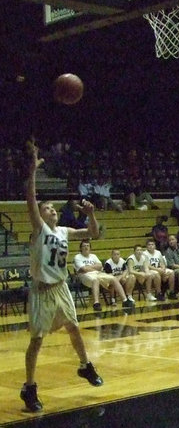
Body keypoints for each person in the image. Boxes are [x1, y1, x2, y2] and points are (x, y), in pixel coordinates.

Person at [21, 138, 103, 413]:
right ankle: (29, 387)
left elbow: (93, 233)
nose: (52, 210)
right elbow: (30, 199)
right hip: (42, 290)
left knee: (74, 327)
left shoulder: (64, 231)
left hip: (61, 286)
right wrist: (32, 171)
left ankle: (85, 366)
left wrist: (91, 214)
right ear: (41, 215)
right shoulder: (40, 229)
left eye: (54, 208)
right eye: (48, 208)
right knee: (37, 340)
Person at [73, 239, 133, 310]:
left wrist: (89, 267)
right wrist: (94, 267)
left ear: (90, 248)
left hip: (98, 273)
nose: (86, 247)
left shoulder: (93, 256)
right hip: (84, 275)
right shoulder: (77, 257)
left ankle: (125, 300)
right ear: (81, 248)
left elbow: (100, 266)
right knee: (95, 280)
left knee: (113, 278)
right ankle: (96, 303)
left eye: (88, 246)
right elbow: (84, 269)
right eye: (84, 246)